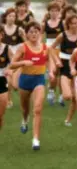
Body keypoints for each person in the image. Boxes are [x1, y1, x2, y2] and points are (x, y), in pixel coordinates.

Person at [9, 21, 55, 150]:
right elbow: (12, 65)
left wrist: (50, 71)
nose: (34, 34)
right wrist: (23, 62)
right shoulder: (23, 47)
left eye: (36, 31)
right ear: (27, 34)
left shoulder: (46, 47)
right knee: (25, 109)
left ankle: (35, 139)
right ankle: (24, 120)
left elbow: (49, 60)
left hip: (39, 80)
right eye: (31, 32)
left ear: (40, 33)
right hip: (25, 81)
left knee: (38, 109)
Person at [50, 14, 77, 126]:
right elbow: (51, 48)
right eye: (72, 23)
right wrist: (56, 60)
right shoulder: (62, 35)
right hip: (64, 67)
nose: (74, 25)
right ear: (68, 24)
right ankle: (61, 95)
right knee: (68, 96)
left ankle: (68, 120)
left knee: (75, 98)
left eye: (76, 23)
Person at [0, 25, 13, 130]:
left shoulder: (7, 48)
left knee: (1, 113)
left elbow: (14, 62)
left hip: (2, 79)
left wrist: (10, 70)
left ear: (2, 35)